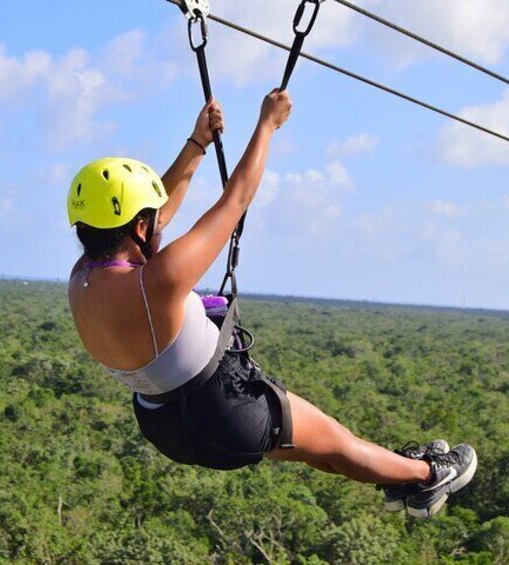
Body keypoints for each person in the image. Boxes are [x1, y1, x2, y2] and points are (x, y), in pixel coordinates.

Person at [66, 89, 476, 518]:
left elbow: (153, 218)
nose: (160, 223)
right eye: (150, 219)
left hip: (168, 424)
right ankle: (430, 476)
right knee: (337, 441)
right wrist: (267, 125)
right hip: (225, 407)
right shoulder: (158, 280)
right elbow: (235, 199)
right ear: (138, 225)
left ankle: (398, 478)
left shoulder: (83, 279)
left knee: (318, 448)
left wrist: (197, 144)